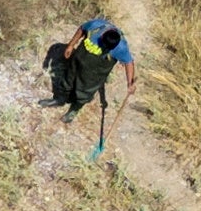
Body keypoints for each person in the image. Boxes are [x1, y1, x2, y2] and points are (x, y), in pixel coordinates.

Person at [43, 16, 138, 156]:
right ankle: (59, 100)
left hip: (94, 74)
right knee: (67, 81)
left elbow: (129, 63)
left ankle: (73, 111)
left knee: (84, 93)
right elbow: (82, 28)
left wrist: (129, 83)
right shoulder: (96, 26)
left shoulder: (121, 47)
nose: (103, 48)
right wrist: (71, 44)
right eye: (102, 44)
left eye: (107, 48)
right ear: (103, 36)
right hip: (77, 62)